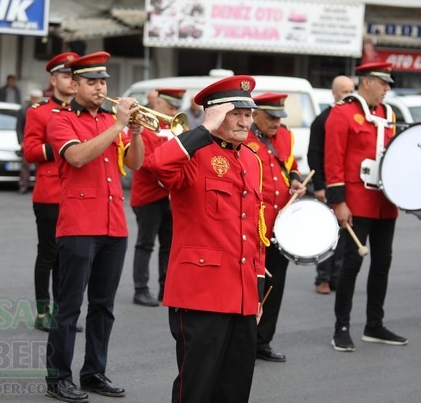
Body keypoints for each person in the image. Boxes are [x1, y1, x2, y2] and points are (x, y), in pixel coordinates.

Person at [148, 75, 267, 403]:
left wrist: (256, 290)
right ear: (214, 115)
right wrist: (202, 129)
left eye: (249, 114)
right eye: (236, 114)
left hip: (242, 294)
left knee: (235, 387)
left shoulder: (251, 160)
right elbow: (156, 165)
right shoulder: (192, 152)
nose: (245, 122)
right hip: (201, 291)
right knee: (196, 388)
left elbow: (256, 232)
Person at [44, 51, 143, 402]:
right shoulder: (60, 120)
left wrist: (134, 131)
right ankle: (57, 377)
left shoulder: (110, 121)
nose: (100, 88)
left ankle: (94, 373)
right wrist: (118, 125)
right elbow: (76, 157)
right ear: (74, 84)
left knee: (103, 306)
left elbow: (135, 163)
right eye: (92, 82)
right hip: (78, 225)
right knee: (69, 306)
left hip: (114, 223)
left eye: (103, 81)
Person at [325, 62, 408, 352]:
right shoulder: (342, 113)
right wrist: (338, 202)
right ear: (368, 83)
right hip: (356, 203)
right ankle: (342, 327)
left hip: (385, 203)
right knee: (351, 264)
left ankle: (374, 324)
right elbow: (333, 159)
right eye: (384, 83)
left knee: (382, 263)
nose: (388, 89)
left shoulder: (389, 114)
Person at [243, 92, 305, 363]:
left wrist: (295, 179)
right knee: (251, 285)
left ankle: (263, 341)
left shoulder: (286, 137)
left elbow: (291, 165)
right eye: (270, 117)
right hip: (254, 226)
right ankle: (244, 340)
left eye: (280, 118)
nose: (276, 123)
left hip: (281, 226)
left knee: (275, 285)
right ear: (255, 115)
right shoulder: (243, 137)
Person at [22, 52, 79, 331]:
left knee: (69, 257)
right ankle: (44, 312)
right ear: (53, 79)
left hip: (77, 194)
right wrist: (64, 145)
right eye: (67, 75)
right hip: (49, 194)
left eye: (75, 76)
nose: (72, 81)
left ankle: (63, 313)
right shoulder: (39, 111)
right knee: (48, 254)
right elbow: (31, 151)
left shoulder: (82, 112)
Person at [129, 88, 185, 307]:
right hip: (149, 196)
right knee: (145, 244)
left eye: (176, 107)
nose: (173, 110)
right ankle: (140, 290)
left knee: (169, 246)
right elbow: (146, 162)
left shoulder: (175, 128)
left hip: (171, 196)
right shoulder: (143, 126)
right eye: (169, 106)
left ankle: (166, 288)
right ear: (158, 103)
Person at [308, 75, 354, 295]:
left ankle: (337, 276)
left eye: (350, 90)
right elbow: (314, 153)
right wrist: (319, 186)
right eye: (343, 91)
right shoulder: (323, 119)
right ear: (334, 93)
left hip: (347, 186)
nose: (348, 94)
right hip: (327, 184)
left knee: (344, 233)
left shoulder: (355, 117)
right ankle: (323, 278)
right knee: (327, 232)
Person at [17, 89, 44, 194]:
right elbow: (19, 127)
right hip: (27, 141)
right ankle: (23, 186)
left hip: (40, 141)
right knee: (25, 165)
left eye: (37, 99)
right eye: (34, 98)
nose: (35, 101)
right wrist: (21, 141)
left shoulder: (43, 109)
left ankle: (39, 186)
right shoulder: (24, 110)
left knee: (40, 166)